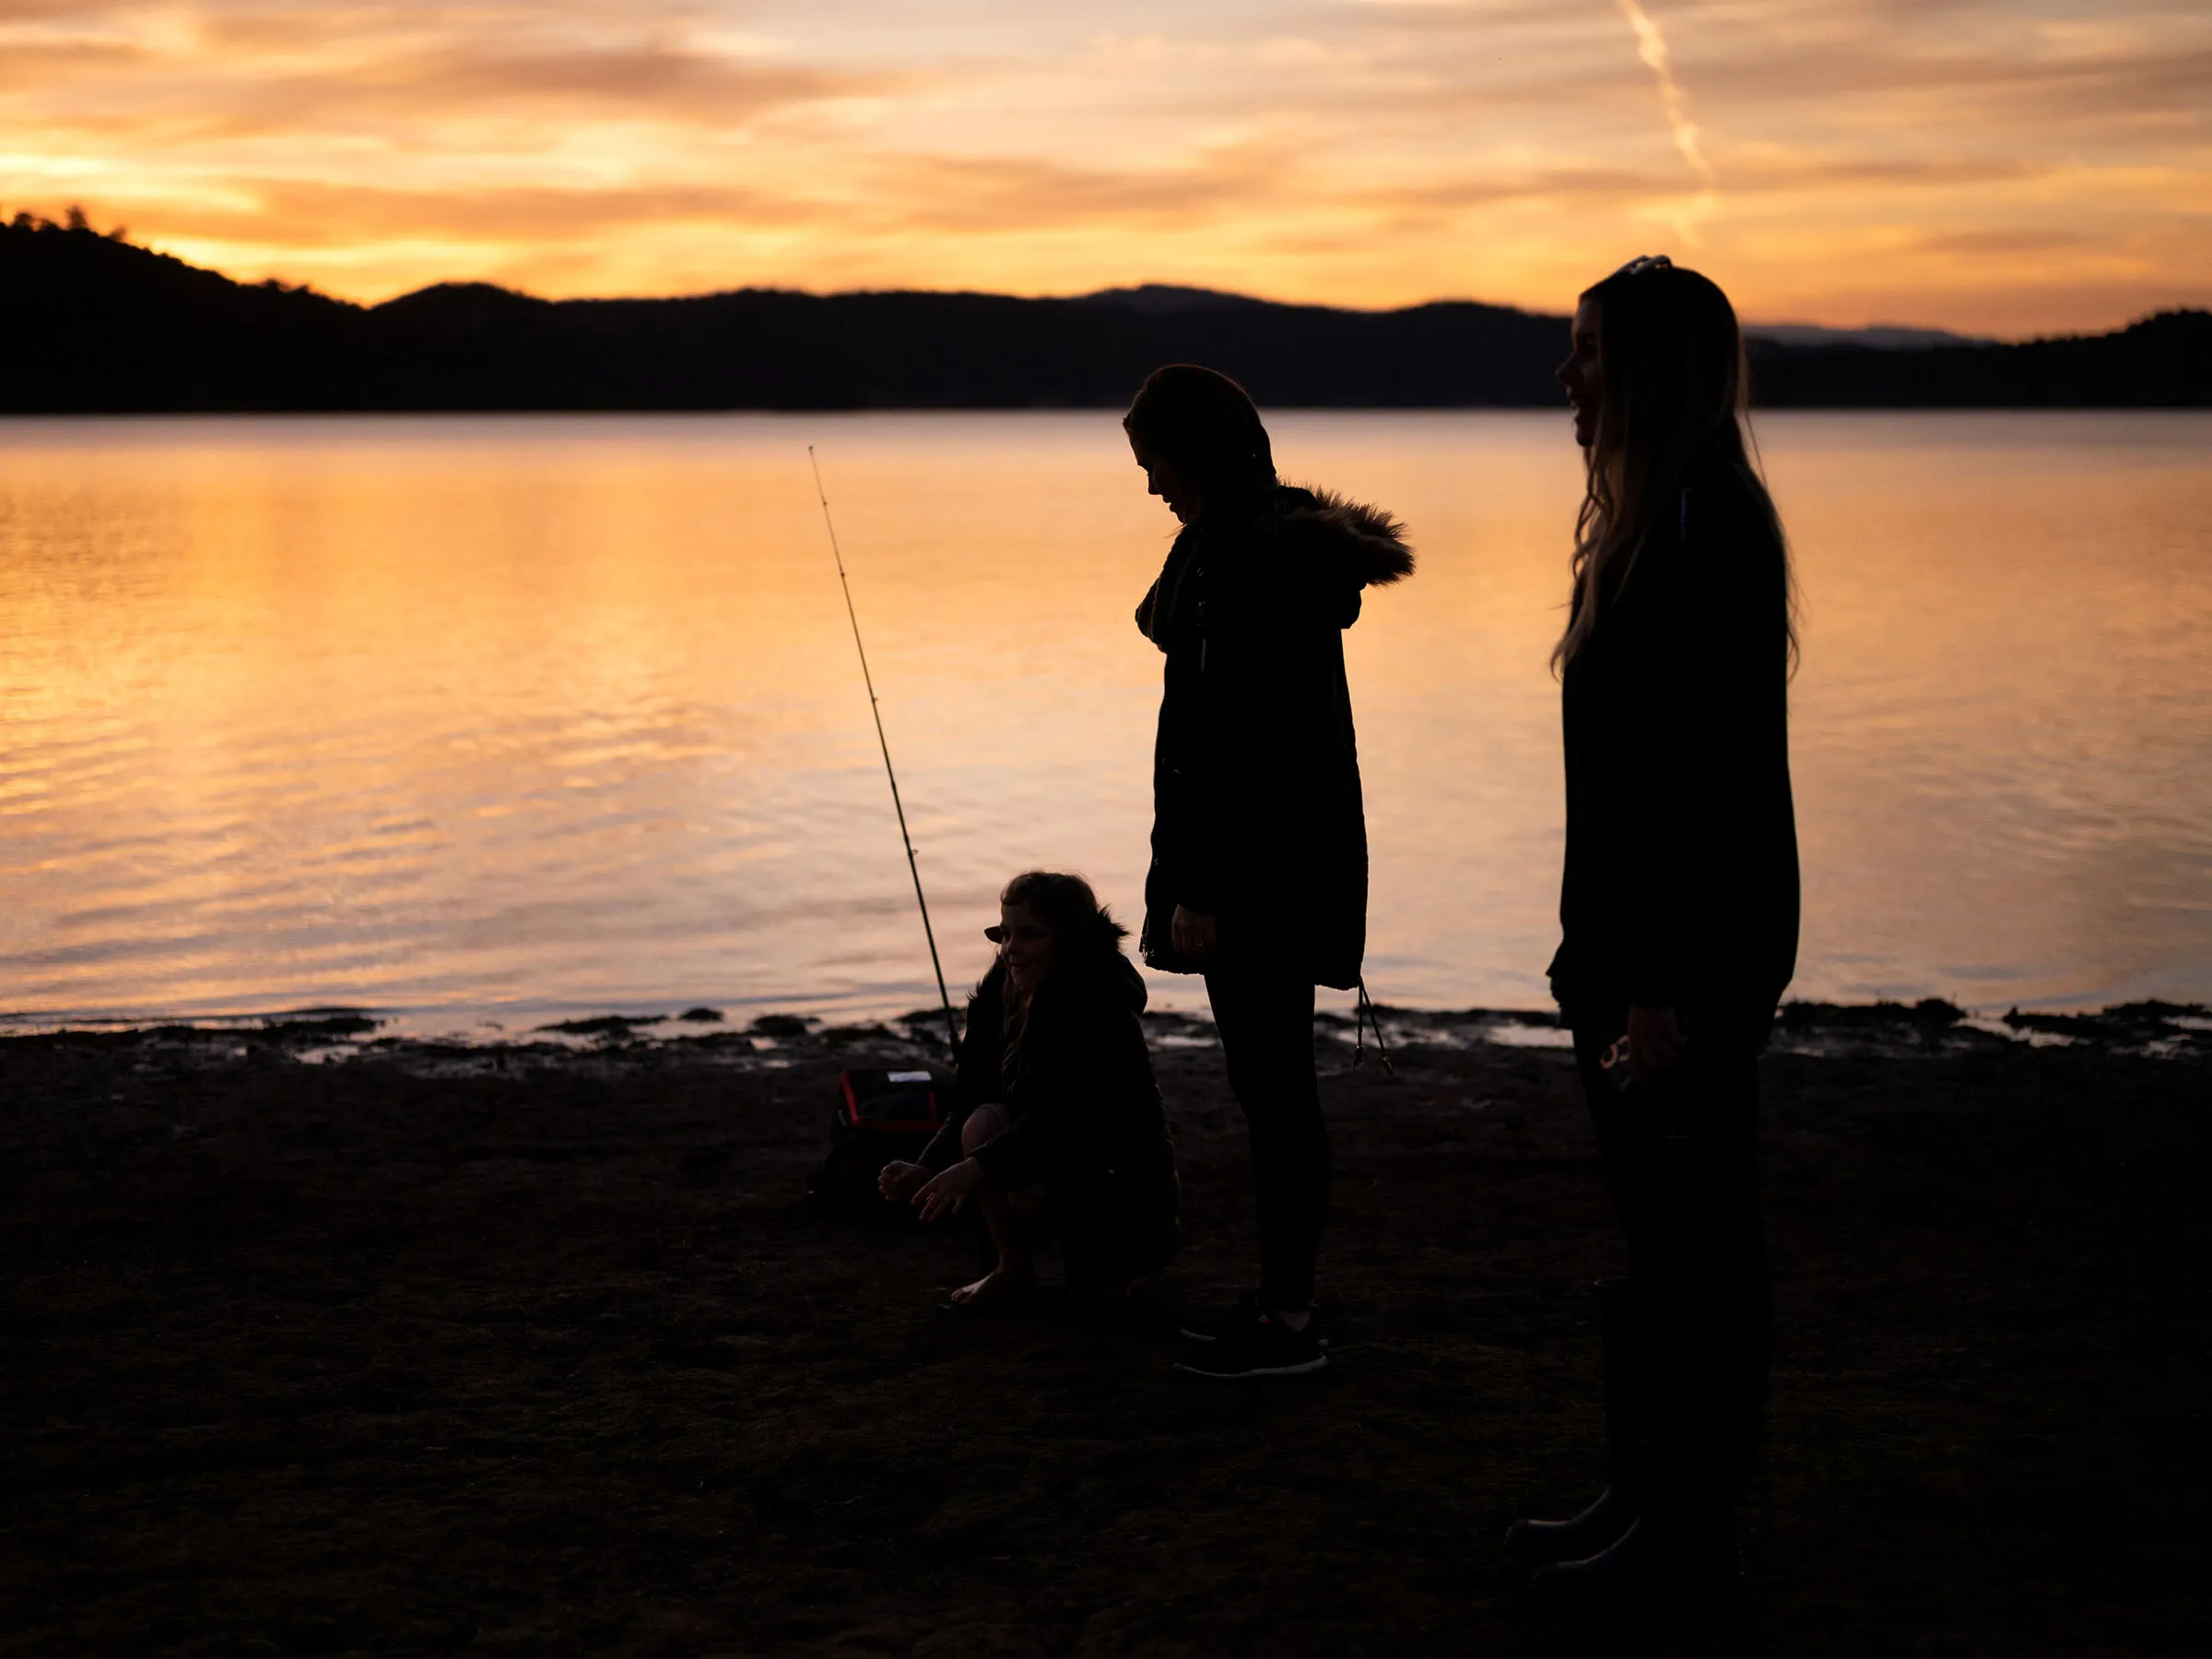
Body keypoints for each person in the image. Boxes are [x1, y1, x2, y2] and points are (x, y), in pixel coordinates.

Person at [1506, 256, 1800, 1611]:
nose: (1567, 379)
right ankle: (1645, 1496)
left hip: (1681, 971)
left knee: (1696, 1256)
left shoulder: (1703, 526)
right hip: (1633, 961)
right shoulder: (1656, 519)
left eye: (1590, 355)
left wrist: (1660, 982)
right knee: (1660, 1244)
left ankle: (1688, 1536)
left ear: (1656, 372)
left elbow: (1707, 776)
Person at [1123, 364, 1414, 1380]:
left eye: (1155, 461)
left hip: (1253, 876)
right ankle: (1285, 1301)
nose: (1150, 484)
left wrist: (1199, 890)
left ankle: (1288, 1320)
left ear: (1195, 452)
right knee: (1277, 1090)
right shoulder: (1263, 553)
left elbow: (1228, 746)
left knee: (1276, 1094)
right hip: (1297, 861)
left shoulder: (1238, 567)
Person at [878, 871, 1180, 1310]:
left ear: (1071, 939)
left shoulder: (1102, 1010)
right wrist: (927, 1169)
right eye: (1004, 934)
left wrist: (976, 1168)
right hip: (1052, 1160)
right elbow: (968, 1104)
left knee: (1099, 1297)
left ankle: (1110, 1262)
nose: (1010, 949)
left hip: (1120, 1178)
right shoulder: (999, 995)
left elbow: (1062, 1117)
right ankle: (1011, 1268)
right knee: (984, 1120)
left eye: (1030, 935)